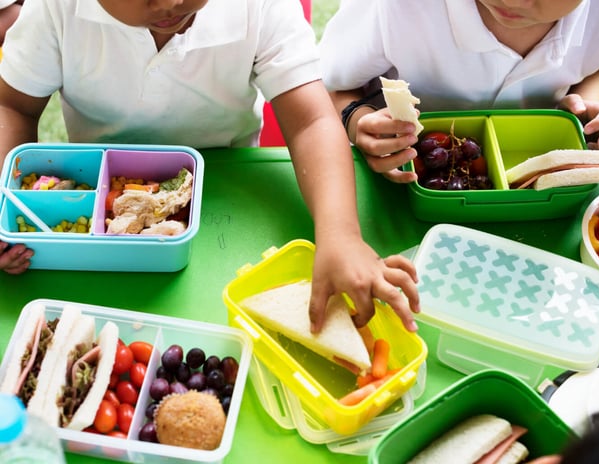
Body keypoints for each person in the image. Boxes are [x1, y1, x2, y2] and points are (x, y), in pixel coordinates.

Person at [0, 0, 421, 334]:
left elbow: (311, 121)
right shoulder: (53, 8)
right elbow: (12, 104)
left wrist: (341, 235)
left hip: (232, 187)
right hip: (102, 213)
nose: (170, 2)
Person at [318, 0, 599, 183]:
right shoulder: (394, 8)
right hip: (398, 183)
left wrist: (589, 100)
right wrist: (355, 119)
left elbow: (598, 64)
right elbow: (322, 84)